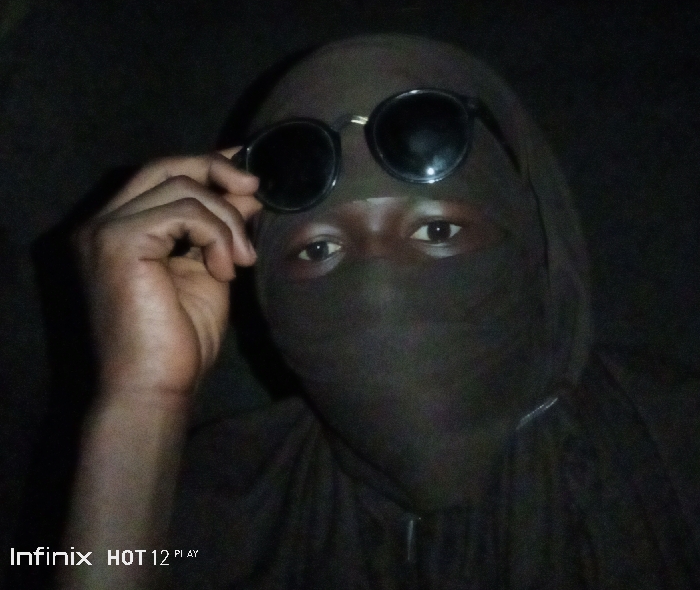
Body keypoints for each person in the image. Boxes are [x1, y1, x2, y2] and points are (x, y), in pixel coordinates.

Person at [63, 34, 700, 590]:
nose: (377, 287)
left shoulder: (674, 452)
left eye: (437, 232)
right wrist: (141, 403)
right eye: (318, 248)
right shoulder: (213, 502)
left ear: (534, 246)